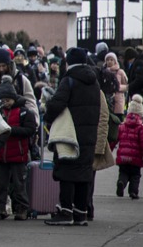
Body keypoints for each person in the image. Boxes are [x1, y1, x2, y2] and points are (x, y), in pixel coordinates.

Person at [44, 47, 102, 226]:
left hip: (69, 133)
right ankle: (80, 213)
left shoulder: (69, 80)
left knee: (67, 170)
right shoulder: (94, 82)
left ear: (68, 61)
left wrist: (47, 116)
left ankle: (65, 211)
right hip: (89, 134)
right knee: (84, 172)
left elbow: (57, 104)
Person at [0, 76, 36, 220]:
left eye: (8, 100)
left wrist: (11, 130)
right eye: (3, 101)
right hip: (1, 155)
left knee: (19, 184)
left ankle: (22, 208)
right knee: (0, 185)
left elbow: (30, 130)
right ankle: (0, 209)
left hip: (18, 154)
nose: (6, 103)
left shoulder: (24, 112)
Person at [115, 95, 143, 199]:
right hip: (136, 158)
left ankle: (121, 182)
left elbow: (115, 139)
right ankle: (133, 192)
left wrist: (110, 148)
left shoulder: (122, 125)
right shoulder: (141, 127)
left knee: (123, 172)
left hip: (123, 157)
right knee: (135, 176)